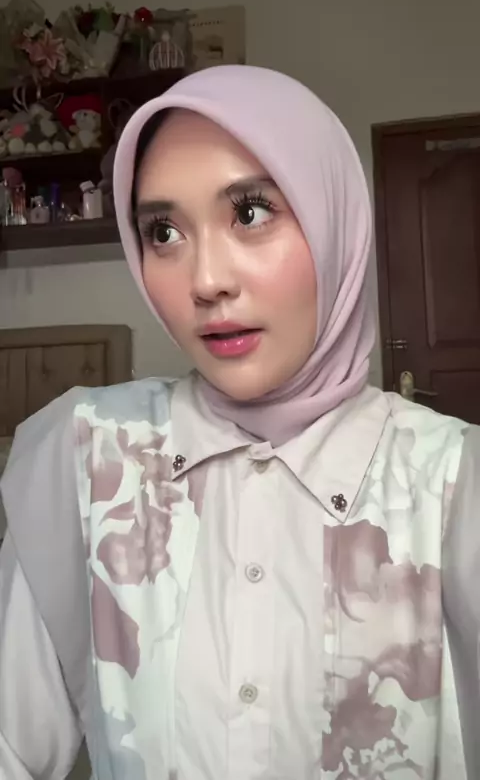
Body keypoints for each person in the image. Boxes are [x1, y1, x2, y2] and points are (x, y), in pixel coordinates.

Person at [0, 65, 478, 780]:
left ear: (335, 223)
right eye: (164, 232)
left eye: (250, 214)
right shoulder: (87, 459)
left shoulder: (455, 487)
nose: (206, 281)